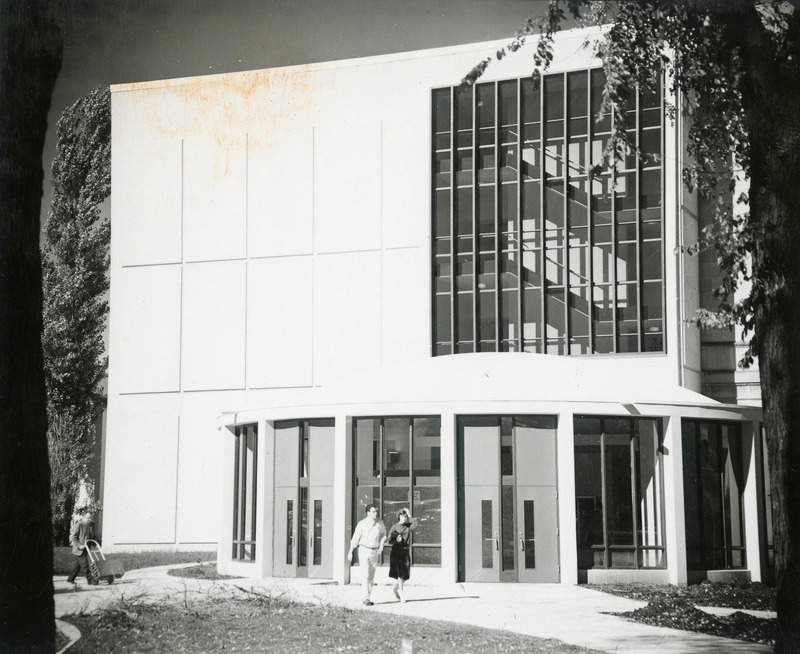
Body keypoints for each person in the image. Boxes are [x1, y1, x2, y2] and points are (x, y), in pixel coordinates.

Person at [347, 504, 387, 606]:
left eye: (376, 511)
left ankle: (368, 597)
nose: (376, 513)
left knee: (371, 576)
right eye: (373, 511)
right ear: (368, 513)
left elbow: (383, 534)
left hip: (375, 551)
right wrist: (350, 551)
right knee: (365, 574)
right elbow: (355, 538)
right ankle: (365, 598)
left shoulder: (380, 523)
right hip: (364, 550)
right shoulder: (362, 524)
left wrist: (381, 544)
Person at [387, 508, 417, 602]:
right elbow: (389, 540)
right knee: (400, 573)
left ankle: (396, 588)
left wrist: (409, 514)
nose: (404, 518)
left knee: (405, 574)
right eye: (403, 516)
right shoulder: (395, 527)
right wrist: (396, 540)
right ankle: (401, 592)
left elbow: (416, 525)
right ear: (399, 517)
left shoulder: (408, 526)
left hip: (405, 552)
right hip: (397, 552)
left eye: (405, 516)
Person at [66, 510, 96, 586]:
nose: (89, 519)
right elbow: (73, 537)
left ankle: (71, 579)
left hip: (87, 548)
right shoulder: (79, 524)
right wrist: (79, 545)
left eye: (90, 518)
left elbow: (92, 536)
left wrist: (93, 545)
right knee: (85, 564)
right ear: (84, 517)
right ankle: (91, 580)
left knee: (78, 565)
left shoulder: (92, 524)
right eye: (88, 518)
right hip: (79, 549)